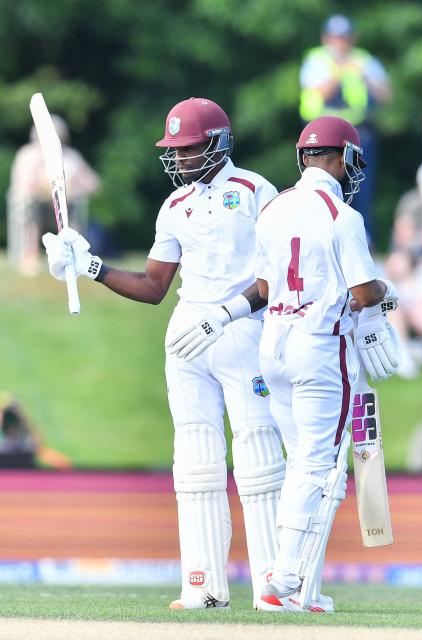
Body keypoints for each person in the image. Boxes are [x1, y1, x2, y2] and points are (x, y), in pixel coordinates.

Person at [41, 97, 305, 611]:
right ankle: (203, 586)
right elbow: (153, 286)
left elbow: (278, 277)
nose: (180, 159)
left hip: (243, 330)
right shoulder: (174, 206)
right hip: (188, 336)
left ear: (218, 143)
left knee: (256, 456)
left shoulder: (256, 191)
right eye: (175, 149)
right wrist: (88, 265)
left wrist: (227, 312)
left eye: (189, 148)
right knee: (195, 462)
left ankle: (275, 588)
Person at [170, 115, 401, 613]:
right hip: (320, 348)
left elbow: (267, 289)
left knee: (302, 466)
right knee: (318, 466)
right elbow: (362, 291)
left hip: (272, 345)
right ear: (344, 159)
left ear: (302, 158)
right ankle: (284, 577)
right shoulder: (343, 216)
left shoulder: (273, 209)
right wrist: (386, 295)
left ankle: (302, 590)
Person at [299, 14, 392, 244]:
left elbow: (386, 95)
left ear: (352, 39)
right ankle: (318, 238)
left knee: (361, 188)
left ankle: (362, 241)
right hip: (321, 138)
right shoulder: (316, 60)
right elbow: (319, 92)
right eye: (335, 38)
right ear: (326, 38)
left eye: (344, 38)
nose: (340, 43)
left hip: (357, 134)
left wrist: (365, 76)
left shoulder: (364, 60)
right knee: (319, 187)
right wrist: (340, 71)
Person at [7, 115, 101, 276]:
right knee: (30, 205)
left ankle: (75, 257)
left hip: (65, 207)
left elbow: (94, 184)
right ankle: (30, 256)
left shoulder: (71, 157)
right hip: (34, 206)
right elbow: (20, 186)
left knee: (73, 207)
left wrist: (76, 188)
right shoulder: (27, 156)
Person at [384, 160, 422, 378]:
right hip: (412, 275)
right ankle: (403, 351)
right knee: (395, 299)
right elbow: (401, 253)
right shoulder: (412, 204)